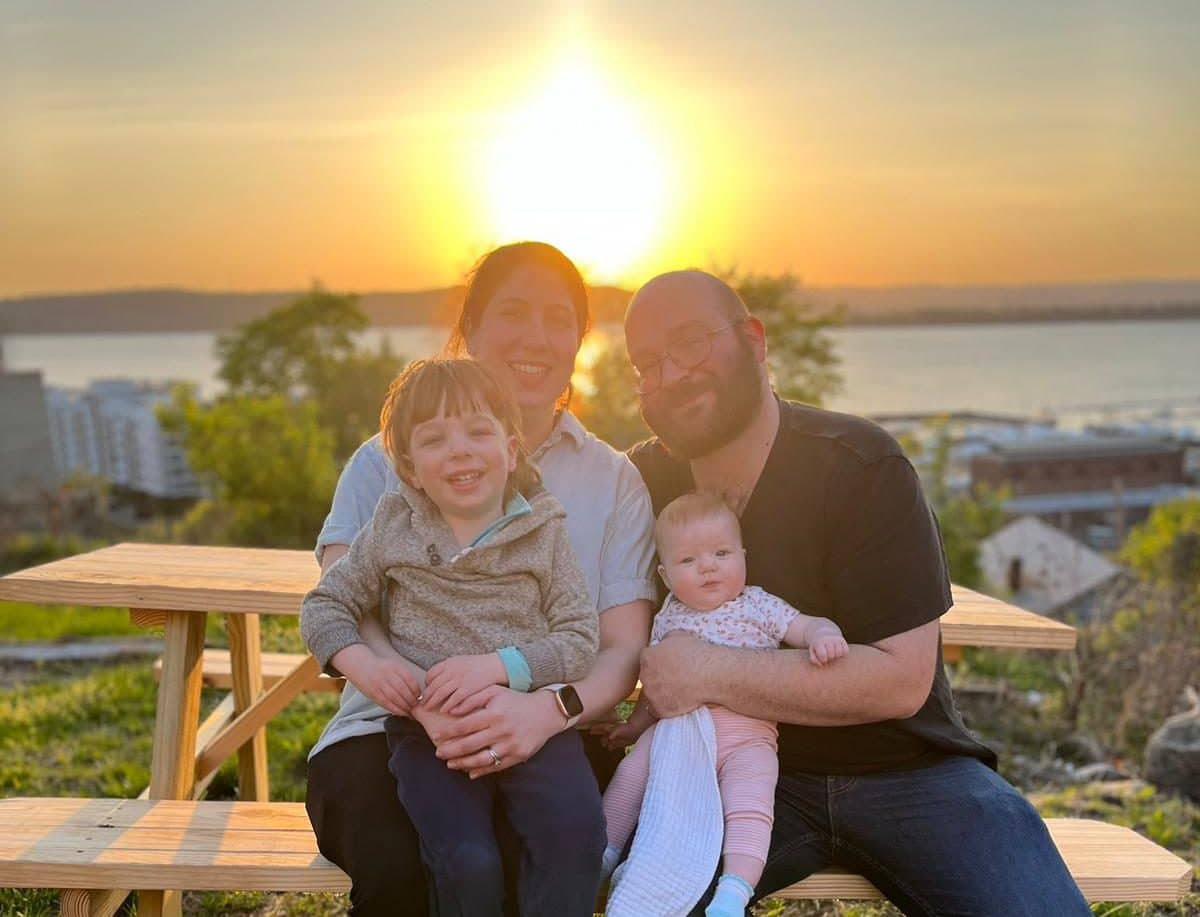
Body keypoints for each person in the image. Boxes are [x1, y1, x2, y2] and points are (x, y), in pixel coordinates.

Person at [622, 270, 1092, 916]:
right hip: (722, 768)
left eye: (691, 343)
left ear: (754, 341)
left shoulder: (862, 465)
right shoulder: (639, 482)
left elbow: (899, 680)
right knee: (642, 898)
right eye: (646, 363)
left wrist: (704, 669)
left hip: (911, 770)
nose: (670, 374)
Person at [304, 241, 657, 916]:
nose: (536, 336)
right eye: (513, 312)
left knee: (557, 854)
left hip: (551, 730)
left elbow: (617, 648)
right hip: (388, 728)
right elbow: (345, 601)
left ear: (580, 342)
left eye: (559, 319)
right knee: (408, 868)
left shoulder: (612, 480)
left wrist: (541, 713)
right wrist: (422, 699)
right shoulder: (384, 460)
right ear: (471, 327)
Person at [301, 358, 603, 916]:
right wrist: (371, 670)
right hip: (428, 735)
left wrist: (495, 667)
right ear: (410, 468)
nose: (460, 450)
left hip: (527, 722)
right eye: (435, 438)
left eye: (478, 431)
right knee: (466, 859)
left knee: (575, 840)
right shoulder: (394, 527)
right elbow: (325, 607)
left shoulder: (543, 531)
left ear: (512, 451)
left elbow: (580, 640)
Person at [599, 491, 848, 917]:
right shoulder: (669, 616)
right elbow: (656, 686)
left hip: (747, 737)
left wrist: (823, 635)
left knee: (750, 803)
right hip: (677, 731)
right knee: (630, 775)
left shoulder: (759, 605)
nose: (708, 566)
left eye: (721, 553)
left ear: (743, 556)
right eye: (689, 561)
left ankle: (734, 890)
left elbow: (804, 625)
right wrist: (636, 726)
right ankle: (603, 854)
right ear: (665, 574)